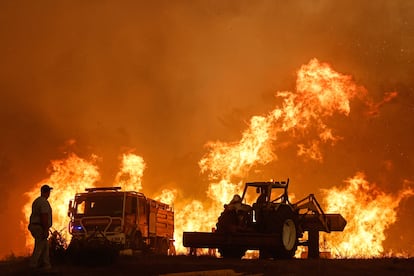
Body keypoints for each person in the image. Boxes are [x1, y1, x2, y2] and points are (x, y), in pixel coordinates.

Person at [28, 184, 53, 270]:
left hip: (34, 226)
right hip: (40, 227)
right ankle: (33, 265)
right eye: (48, 191)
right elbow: (44, 216)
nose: (49, 193)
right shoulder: (44, 202)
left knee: (44, 246)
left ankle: (45, 265)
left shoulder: (37, 201)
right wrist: (46, 229)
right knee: (40, 246)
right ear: (46, 192)